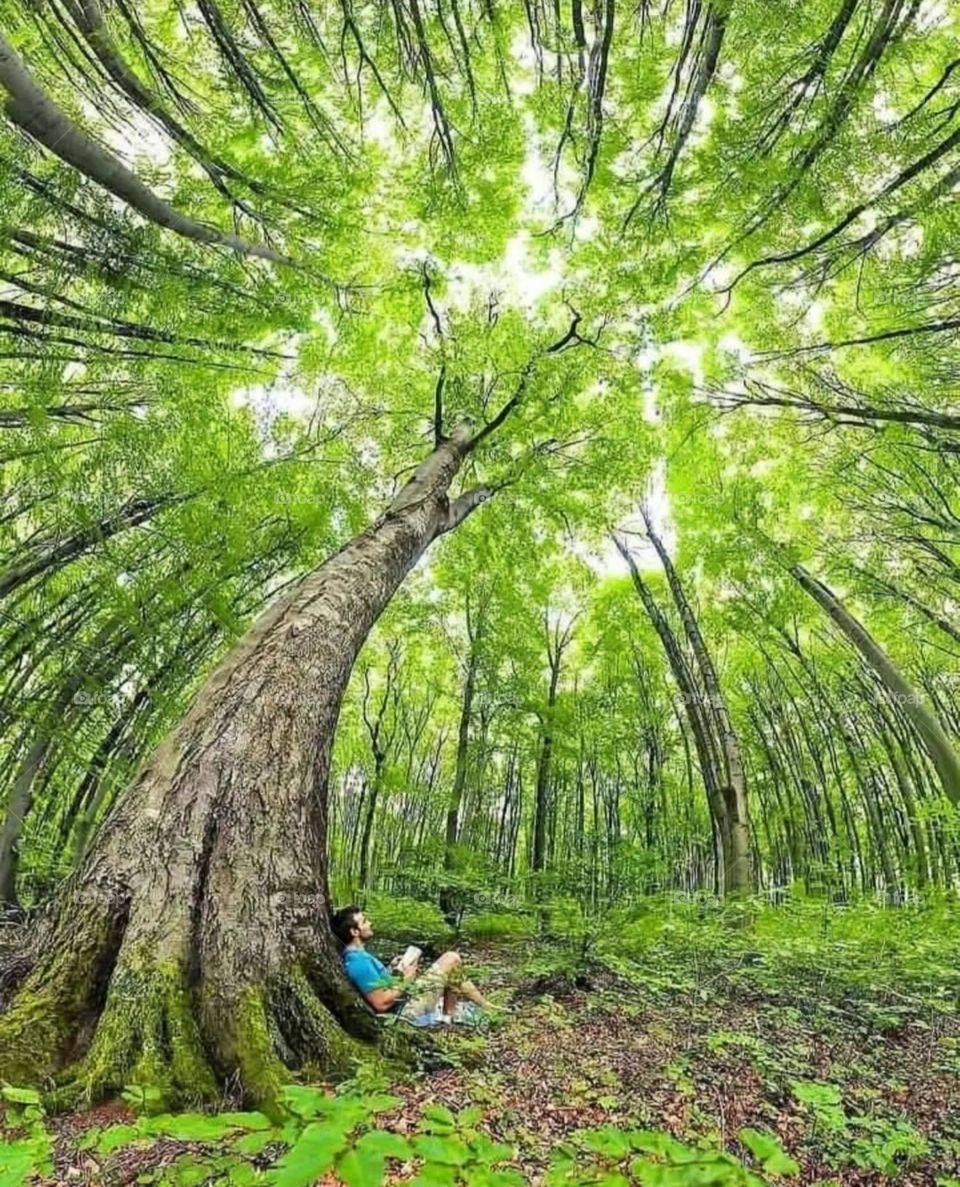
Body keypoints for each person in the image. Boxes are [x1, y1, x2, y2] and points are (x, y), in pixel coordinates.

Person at [331, 905, 495, 1026]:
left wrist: (395, 970)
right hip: (405, 1011)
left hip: (405, 1001)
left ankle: (468, 1012)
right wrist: (408, 979)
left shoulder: (360, 957)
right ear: (354, 932)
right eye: (365, 921)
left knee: (453, 967)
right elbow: (381, 1004)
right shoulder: (358, 963)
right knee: (452, 959)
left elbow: (382, 987)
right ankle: (470, 1013)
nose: (370, 923)